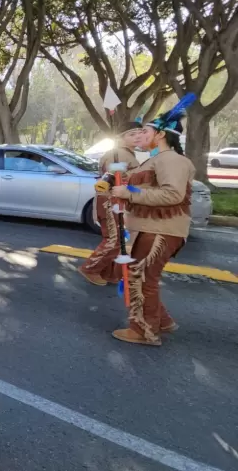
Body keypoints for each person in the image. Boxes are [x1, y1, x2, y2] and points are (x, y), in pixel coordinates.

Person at [110, 103, 194, 347]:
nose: (141, 136)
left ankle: (144, 331)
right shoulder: (157, 160)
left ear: (161, 134)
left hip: (159, 230)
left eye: (146, 132)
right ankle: (162, 321)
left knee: (143, 279)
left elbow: (173, 195)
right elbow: (145, 189)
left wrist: (129, 194)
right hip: (150, 228)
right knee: (145, 277)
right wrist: (122, 188)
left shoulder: (172, 160)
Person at [79, 122, 143, 286]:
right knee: (114, 240)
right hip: (110, 201)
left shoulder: (126, 154)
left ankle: (109, 274)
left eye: (139, 133)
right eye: (132, 134)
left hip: (118, 200)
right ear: (120, 138)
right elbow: (114, 175)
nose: (137, 136)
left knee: (120, 240)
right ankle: (90, 268)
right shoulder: (118, 154)